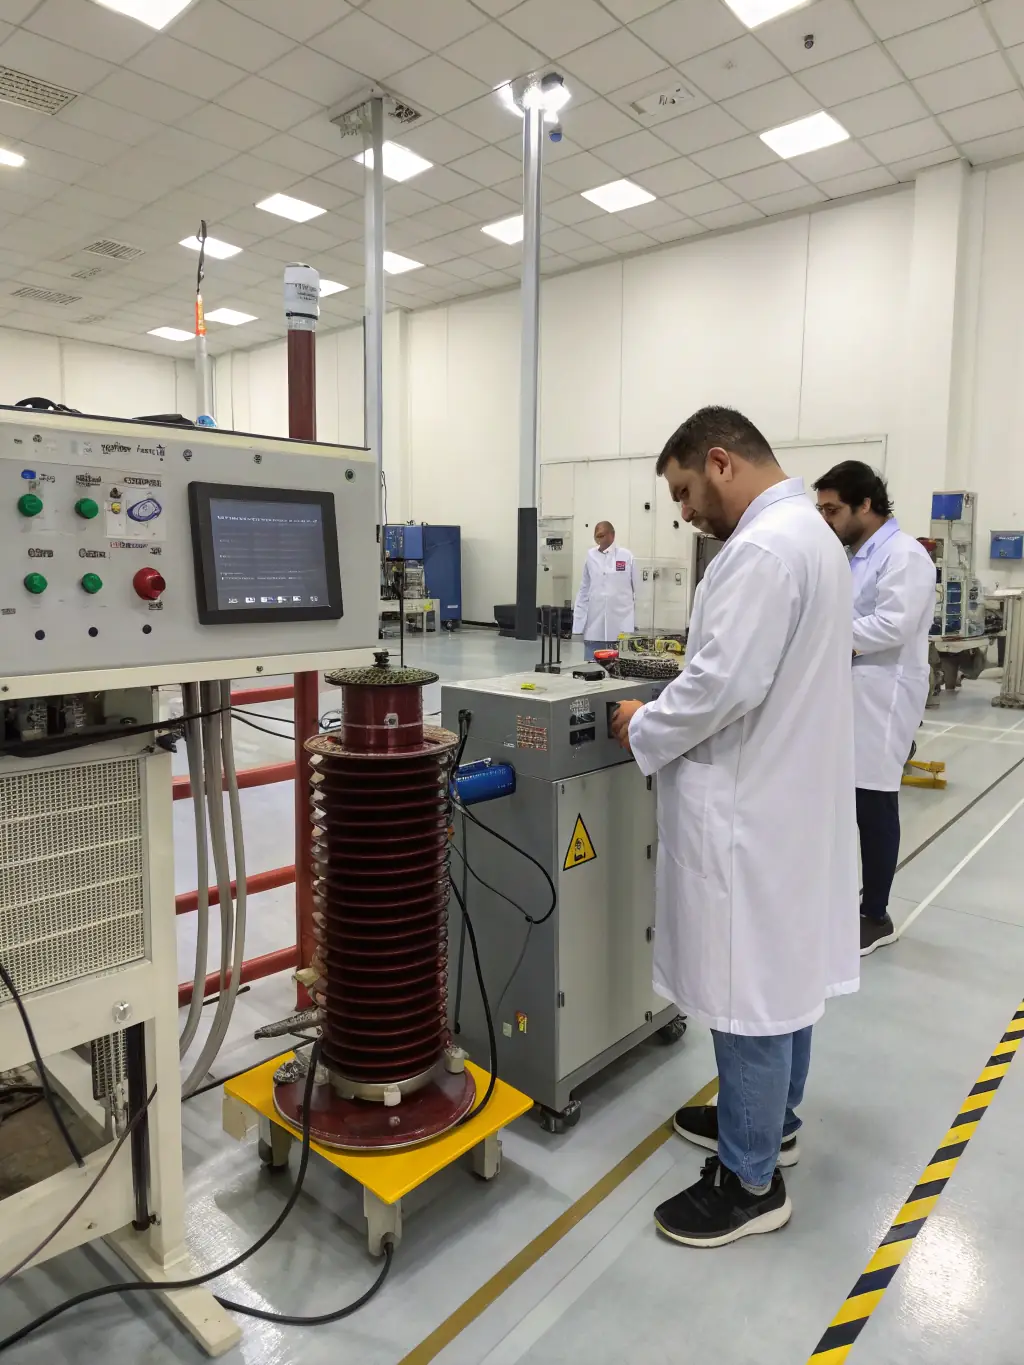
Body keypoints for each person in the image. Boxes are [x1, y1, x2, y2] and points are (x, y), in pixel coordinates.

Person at [610, 407, 858, 1248]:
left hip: (750, 810)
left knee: (746, 987)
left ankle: (752, 1181)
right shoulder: (815, 537)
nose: (683, 511)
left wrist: (643, 720)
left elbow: (720, 686)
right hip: (790, 805)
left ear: (719, 463)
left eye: (684, 491)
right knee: (782, 978)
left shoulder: (758, 549)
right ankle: (770, 1121)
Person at [813, 461, 936, 956]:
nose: (826, 520)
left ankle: (876, 914)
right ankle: (847, 900)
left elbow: (893, 625)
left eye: (833, 509)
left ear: (866, 505)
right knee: (844, 799)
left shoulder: (904, 556)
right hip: (849, 687)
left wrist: (823, 639)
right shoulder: (855, 556)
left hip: (883, 694)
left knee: (874, 801)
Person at [572, 521, 635, 661]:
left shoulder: (626, 556)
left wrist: (635, 623)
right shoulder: (590, 556)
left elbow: (638, 590)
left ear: (612, 535)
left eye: (601, 535)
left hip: (620, 624)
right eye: (596, 536)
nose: (598, 540)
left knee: (619, 668)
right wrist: (578, 624)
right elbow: (584, 590)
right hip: (594, 625)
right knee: (592, 667)